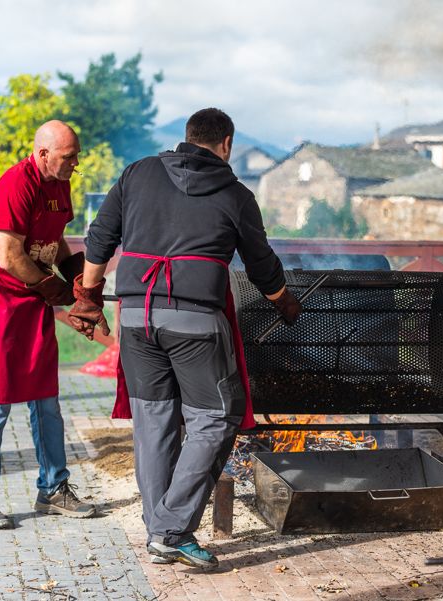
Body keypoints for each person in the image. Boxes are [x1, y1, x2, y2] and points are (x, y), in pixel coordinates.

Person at [69, 108, 301, 568]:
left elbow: (99, 239)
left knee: (153, 422)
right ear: (227, 144)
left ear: (187, 138)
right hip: (195, 321)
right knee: (217, 416)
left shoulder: (137, 173)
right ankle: (173, 529)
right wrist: (284, 302)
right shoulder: (236, 194)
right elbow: (261, 266)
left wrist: (89, 298)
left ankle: (161, 532)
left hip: (135, 316)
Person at [0, 120, 96, 529]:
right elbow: (9, 256)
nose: (75, 164)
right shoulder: (15, 184)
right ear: (42, 154)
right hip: (0, 295)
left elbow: (55, 239)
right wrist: (53, 287)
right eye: (68, 156)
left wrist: (77, 276)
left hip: (33, 294)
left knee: (45, 396)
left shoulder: (60, 183)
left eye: (76, 156)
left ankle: (53, 488)